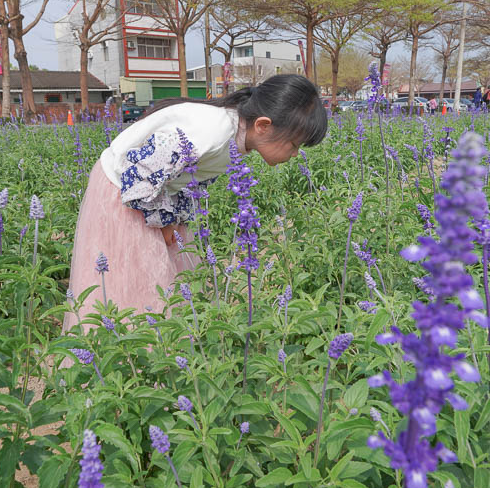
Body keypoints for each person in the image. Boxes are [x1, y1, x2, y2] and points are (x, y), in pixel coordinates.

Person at [62, 74, 327, 336]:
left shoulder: (237, 138)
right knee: (136, 278)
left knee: (171, 276)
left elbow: (188, 179)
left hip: (160, 194)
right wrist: (165, 223)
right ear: (263, 125)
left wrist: (176, 219)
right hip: (125, 193)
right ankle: (124, 348)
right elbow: (139, 175)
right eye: (294, 145)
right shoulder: (211, 132)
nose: (295, 155)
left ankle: (164, 349)